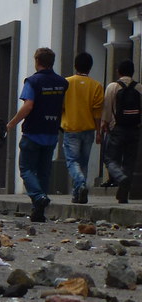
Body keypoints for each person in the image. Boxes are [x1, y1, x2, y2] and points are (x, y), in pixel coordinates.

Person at [6, 47, 68, 221]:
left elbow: (28, 106)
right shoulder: (62, 83)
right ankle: (38, 212)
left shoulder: (32, 82)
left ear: (37, 61)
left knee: (26, 169)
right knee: (43, 172)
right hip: (51, 131)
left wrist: (11, 123)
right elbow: (62, 106)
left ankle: (39, 197)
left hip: (33, 131)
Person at [61, 52, 103, 204]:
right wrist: (99, 132)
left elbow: (61, 107)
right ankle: (77, 194)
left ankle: (80, 183)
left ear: (75, 65)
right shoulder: (96, 86)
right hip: (89, 130)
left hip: (71, 128)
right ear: (90, 67)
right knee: (83, 163)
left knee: (72, 161)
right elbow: (97, 112)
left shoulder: (66, 83)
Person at [101, 59, 142, 204]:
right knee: (129, 161)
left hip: (117, 128)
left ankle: (119, 177)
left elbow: (107, 108)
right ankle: (124, 193)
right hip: (135, 129)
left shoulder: (112, 87)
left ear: (118, 71)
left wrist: (104, 124)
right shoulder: (139, 87)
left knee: (110, 158)